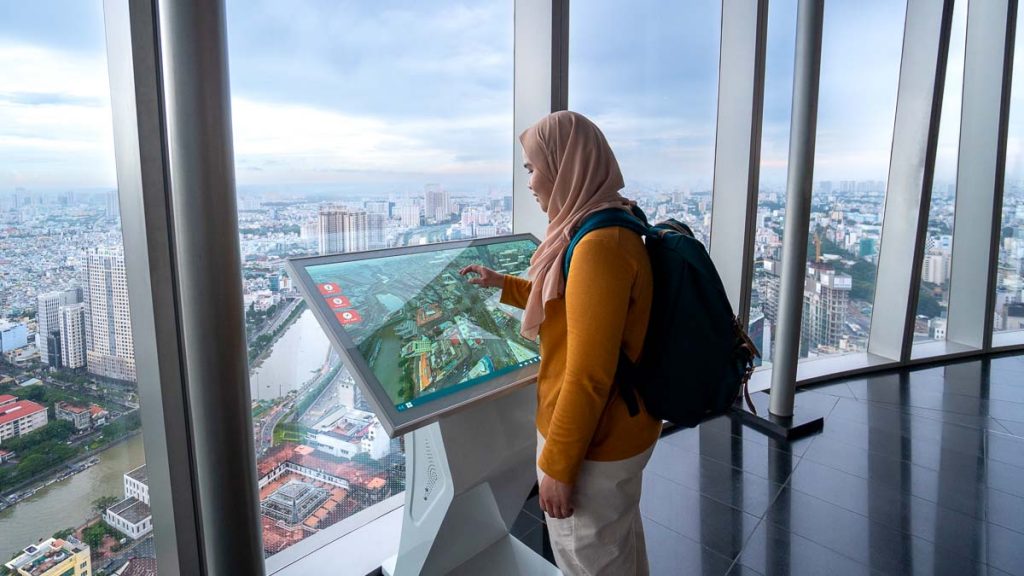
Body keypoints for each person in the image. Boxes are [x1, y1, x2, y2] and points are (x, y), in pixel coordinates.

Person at [459, 111, 662, 575]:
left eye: (532, 167)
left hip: (596, 446)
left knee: (590, 562)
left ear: (565, 164)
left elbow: (589, 373)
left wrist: (557, 466)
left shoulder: (598, 246)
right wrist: (502, 283)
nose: (529, 180)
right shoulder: (609, 220)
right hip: (618, 428)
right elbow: (575, 304)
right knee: (618, 552)